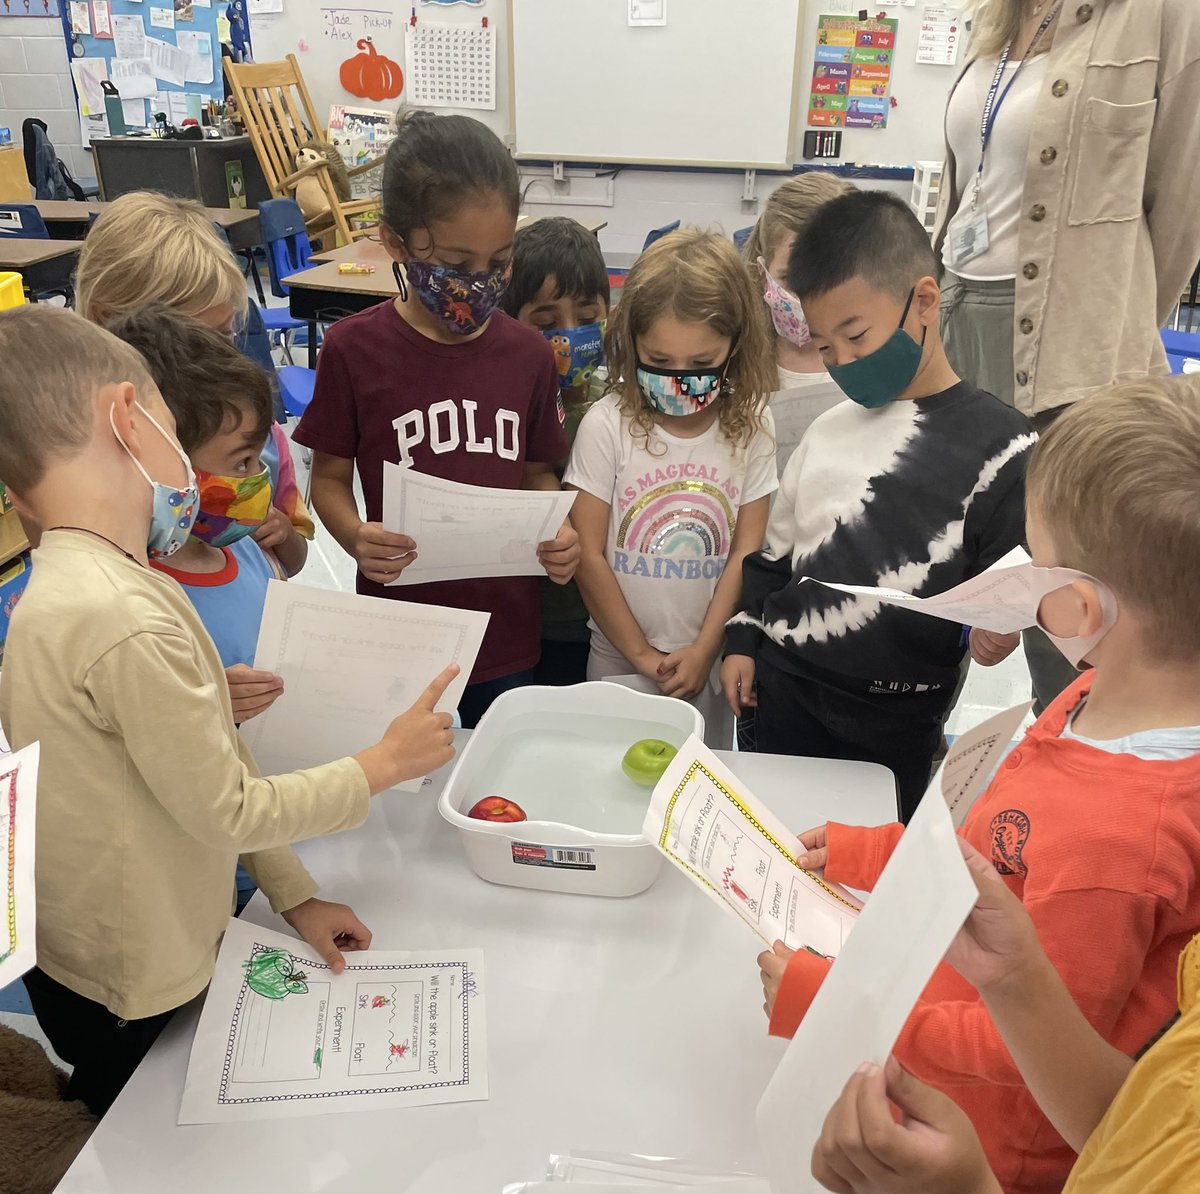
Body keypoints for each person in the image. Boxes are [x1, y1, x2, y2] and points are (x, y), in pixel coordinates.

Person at [0, 307, 458, 1116]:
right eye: (174, 430)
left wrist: (294, 895)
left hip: (130, 936)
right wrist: (381, 765)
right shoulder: (123, 617)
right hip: (129, 974)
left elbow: (222, 759)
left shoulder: (109, 581)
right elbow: (229, 808)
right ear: (126, 419)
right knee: (135, 1131)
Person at [760, 376, 1200, 1193]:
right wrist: (875, 850)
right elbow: (1000, 853)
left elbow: (1034, 1041)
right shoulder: (1091, 693)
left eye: (1032, 559)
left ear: (1079, 606)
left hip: (993, 1148)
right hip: (943, 1023)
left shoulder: (1122, 842)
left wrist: (830, 1002)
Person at [722, 191, 1033, 819]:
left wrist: (1000, 627)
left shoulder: (1008, 447)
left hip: (901, 713)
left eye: (856, 335)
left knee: (868, 867)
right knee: (776, 845)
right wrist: (742, 639)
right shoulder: (829, 431)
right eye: (825, 346)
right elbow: (773, 555)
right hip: (785, 691)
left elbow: (1016, 577)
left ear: (923, 300)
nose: (842, 363)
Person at [934, 0, 1200, 712]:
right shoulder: (998, 16)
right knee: (973, 577)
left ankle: (1104, 791)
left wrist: (1111, 323)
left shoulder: (1163, 15)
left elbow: (1180, 207)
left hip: (1076, 343)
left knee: (1082, 608)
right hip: (965, 318)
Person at [293, 111, 580, 728]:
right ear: (395, 242)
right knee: (405, 792)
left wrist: (555, 533)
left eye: (499, 260)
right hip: (401, 634)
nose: (479, 282)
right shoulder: (353, 350)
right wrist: (355, 538)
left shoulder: (527, 354)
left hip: (503, 633)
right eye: (454, 263)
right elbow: (329, 482)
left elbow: (537, 474)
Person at [811, 838, 1200, 1194]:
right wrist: (1014, 976)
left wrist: (970, 1187)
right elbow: (1145, 1117)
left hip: (990, 1155)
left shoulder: (1134, 849)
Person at [565, 228, 778, 748]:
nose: (680, 381)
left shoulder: (754, 425)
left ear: (735, 347)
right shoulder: (606, 424)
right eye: (659, 364)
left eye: (702, 366)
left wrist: (707, 649)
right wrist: (641, 656)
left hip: (708, 663)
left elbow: (746, 552)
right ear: (631, 343)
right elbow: (587, 554)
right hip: (618, 658)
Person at [74, 190, 312, 580]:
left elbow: (293, 552)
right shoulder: (72, 455)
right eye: (189, 343)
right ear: (106, 323)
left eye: (225, 335)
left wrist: (279, 532)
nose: (215, 364)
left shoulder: (255, 442)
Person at [500, 216, 611, 687]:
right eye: (547, 323)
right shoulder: (505, 407)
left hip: (605, 621)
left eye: (587, 320)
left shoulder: (621, 406)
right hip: (535, 620)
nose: (570, 336)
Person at [742, 173, 853, 473]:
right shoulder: (739, 355)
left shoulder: (874, 362)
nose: (808, 298)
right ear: (762, 270)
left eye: (829, 278)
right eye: (791, 279)